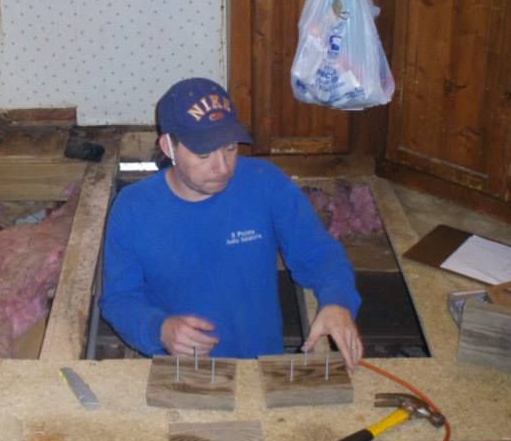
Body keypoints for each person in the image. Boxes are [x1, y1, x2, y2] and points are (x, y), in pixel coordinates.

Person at [100, 77, 364, 372]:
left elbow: (320, 255)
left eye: (229, 148)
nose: (222, 167)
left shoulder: (265, 183)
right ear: (168, 147)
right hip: (181, 371)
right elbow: (119, 299)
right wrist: (159, 329)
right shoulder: (133, 208)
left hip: (261, 365)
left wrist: (338, 302)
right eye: (203, 155)